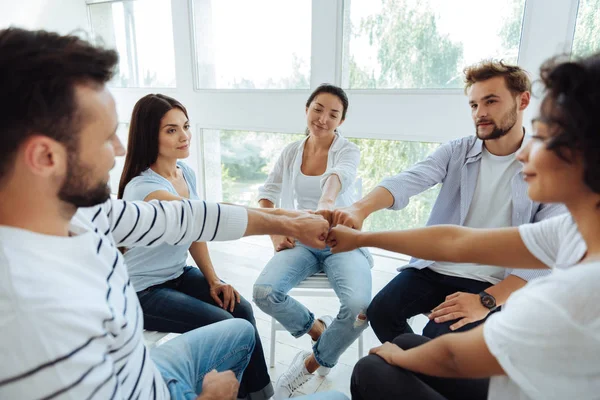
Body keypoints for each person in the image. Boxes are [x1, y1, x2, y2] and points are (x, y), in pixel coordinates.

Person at [0, 27, 348, 400]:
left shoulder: (86, 213)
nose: (118, 150)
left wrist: (285, 222)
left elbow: (189, 217)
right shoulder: (32, 316)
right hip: (145, 366)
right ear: (45, 157)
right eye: (104, 137)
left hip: (142, 360)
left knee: (242, 324)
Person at [327, 52, 600, 400]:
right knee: (397, 328)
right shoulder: (570, 234)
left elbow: (455, 357)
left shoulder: (569, 295)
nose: (524, 153)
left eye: (544, 137)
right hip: (440, 276)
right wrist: (361, 227)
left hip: (490, 289)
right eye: (473, 104)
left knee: (377, 365)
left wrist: (485, 300)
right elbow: (455, 241)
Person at [118, 94, 272, 400]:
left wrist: (214, 280)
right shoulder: (143, 188)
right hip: (143, 291)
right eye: (171, 130)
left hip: (176, 274)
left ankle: (260, 394)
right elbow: (202, 217)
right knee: (225, 326)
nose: (184, 135)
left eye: (185, 126)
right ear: (150, 135)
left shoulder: (183, 173)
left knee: (240, 308)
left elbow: (194, 229)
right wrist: (278, 219)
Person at [252, 84, 373, 398]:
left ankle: (309, 365)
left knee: (359, 308)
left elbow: (338, 175)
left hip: (342, 240)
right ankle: (321, 330)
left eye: (333, 114)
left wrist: (327, 201)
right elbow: (266, 195)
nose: (323, 118)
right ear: (307, 109)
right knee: (264, 292)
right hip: (303, 240)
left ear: (341, 121)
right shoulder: (292, 150)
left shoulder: (348, 150)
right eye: (318, 109)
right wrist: (276, 232)